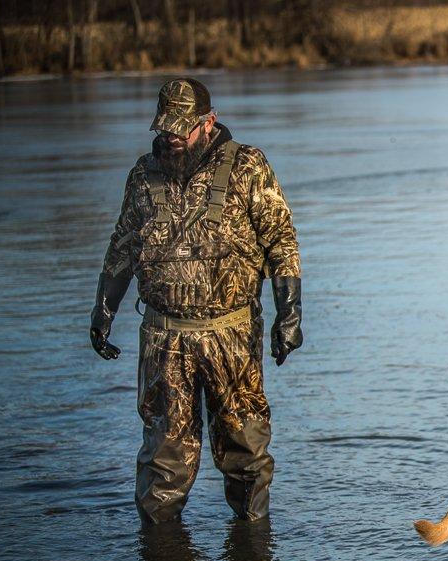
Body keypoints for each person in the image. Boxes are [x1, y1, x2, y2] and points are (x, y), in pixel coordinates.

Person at [90, 77, 302, 524]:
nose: (171, 137)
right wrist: (103, 308)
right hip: (164, 340)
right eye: (165, 128)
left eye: (181, 128)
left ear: (210, 122)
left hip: (232, 335)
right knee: (163, 460)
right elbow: (123, 246)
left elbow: (281, 240)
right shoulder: (143, 176)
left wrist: (290, 313)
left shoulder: (247, 167)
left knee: (245, 452)